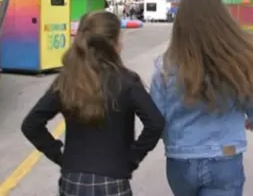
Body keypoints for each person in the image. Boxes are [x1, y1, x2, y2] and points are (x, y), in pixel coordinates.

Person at [149, 0, 253, 196]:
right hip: (225, 156)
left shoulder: (165, 67)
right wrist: (252, 122)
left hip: (180, 159)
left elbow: (156, 118)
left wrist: (177, 138)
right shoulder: (235, 65)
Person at [21, 11, 165, 196]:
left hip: (72, 179)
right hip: (113, 181)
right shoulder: (127, 81)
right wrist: (132, 158)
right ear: (114, 43)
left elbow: (31, 124)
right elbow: (156, 123)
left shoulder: (67, 80)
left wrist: (59, 155)